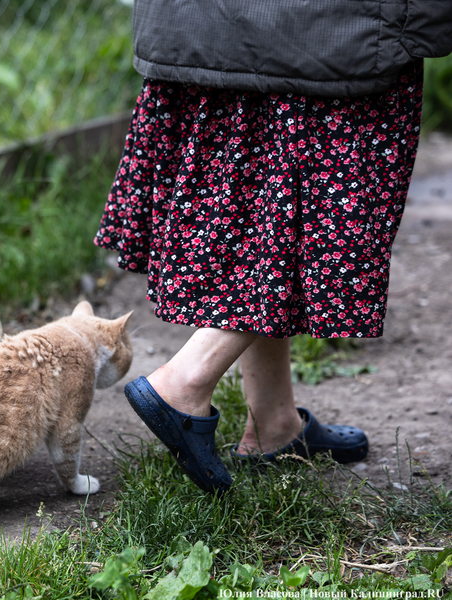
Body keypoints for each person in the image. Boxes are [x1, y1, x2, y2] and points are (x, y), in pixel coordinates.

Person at [95, 0, 452, 495]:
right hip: (329, 33)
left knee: (263, 213)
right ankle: (187, 379)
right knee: (312, 215)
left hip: (204, 23)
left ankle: (274, 421)